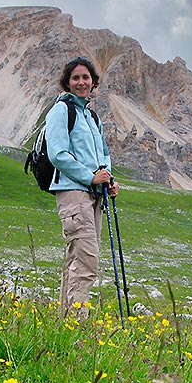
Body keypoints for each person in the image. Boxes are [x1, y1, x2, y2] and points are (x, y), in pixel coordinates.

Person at [45, 56, 120, 318]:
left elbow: (103, 155)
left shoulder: (91, 116)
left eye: (85, 77)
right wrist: (90, 177)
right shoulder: (60, 111)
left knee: (77, 259)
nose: (81, 82)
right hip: (73, 193)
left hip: (93, 195)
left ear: (93, 82)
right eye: (75, 77)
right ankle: (77, 327)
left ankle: (65, 325)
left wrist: (108, 180)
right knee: (86, 261)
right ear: (67, 82)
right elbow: (58, 154)